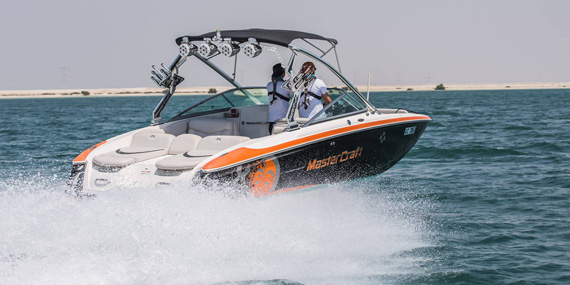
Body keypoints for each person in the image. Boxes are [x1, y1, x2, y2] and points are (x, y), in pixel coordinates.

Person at [266, 63, 291, 134]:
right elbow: (294, 93)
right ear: (283, 74)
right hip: (282, 120)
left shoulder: (269, 85)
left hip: (271, 120)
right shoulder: (285, 86)